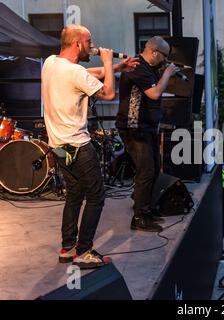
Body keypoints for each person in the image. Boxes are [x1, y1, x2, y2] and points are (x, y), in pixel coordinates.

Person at [42, 25, 139, 268]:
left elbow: (84, 74)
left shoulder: (51, 62)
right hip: (78, 146)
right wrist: (108, 61)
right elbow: (108, 93)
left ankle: (67, 248)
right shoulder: (74, 72)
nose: (92, 46)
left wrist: (115, 67)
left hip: (57, 146)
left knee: (75, 194)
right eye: (89, 42)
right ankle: (84, 251)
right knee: (96, 195)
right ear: (77, 44)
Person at [116, 36, 178, 232]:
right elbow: (154, 94)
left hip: (146, 127)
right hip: (134, 127)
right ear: (154, 52)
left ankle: (147, 209)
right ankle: (139, 217)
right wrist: (167, 74)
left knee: (153, 168)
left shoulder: (149, 68)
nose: (165, 60)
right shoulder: (137, 66)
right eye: (164, 56)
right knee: (145, 171)